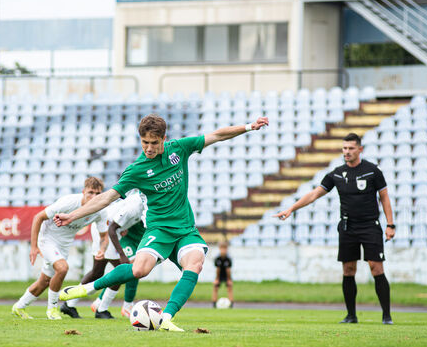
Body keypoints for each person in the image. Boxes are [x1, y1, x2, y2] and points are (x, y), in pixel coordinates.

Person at [56, 113, 269, 332]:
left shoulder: (179, 149)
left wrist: (249, 127)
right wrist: (73, 216)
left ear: (164, 139)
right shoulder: (137, 170)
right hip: (158, 229)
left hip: (185, 229)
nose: (148, 148)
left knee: (195, 264)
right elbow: (106, 197)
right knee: (139, 270)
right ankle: (87, 289)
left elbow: (216, 135)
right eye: (144, 142)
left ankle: (166, 317)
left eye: (154, 143)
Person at [275, 133, 395, 324]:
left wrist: (390, 224)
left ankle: (386, 316)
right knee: (348, 270)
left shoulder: (373, 171)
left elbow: (385, 197)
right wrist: (291, 208)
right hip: (347, 227)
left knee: (376, 268)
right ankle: (351, 315)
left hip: (370, 226)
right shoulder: (337, 173)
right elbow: (314, 194)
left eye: (351, 148)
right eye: (344, 148)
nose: (347, 152)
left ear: (360, 149)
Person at [11, 177, 108, 320]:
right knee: (62, 268)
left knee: (44, 281)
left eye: (98, 194)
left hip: (64, 244)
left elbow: (104, 236)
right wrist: (34, 247)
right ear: (83, 192)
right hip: (48, 238)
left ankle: (19, 307)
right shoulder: (69, 202)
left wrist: (102, 249)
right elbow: (38, 217)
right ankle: (52, 310)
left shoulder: (100, 210)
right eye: (90, 193)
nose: (94, 197)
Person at [61, 190, 148, 319]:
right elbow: (112, 228)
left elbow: (119, 221)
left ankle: (69, 304)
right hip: (105, 230)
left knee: (97, 272)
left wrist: (124, 227)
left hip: (106, 229)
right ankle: (101, 309)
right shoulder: (135, 205)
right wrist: (122, 254)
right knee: (121, 271)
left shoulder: (142, 203)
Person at [212, 241, 233, 307]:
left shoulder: (228, 258)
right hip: (219, 275)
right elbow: (218, 269)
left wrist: (229, 279)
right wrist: (217, 279)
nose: (223, 250)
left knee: (229, 287)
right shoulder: (218, 258)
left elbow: (228, 270)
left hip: (227, 275)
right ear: (219, 249)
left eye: (225, 249)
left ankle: (231, 304)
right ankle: (214, 304)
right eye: (222, 248)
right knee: (215, 287)